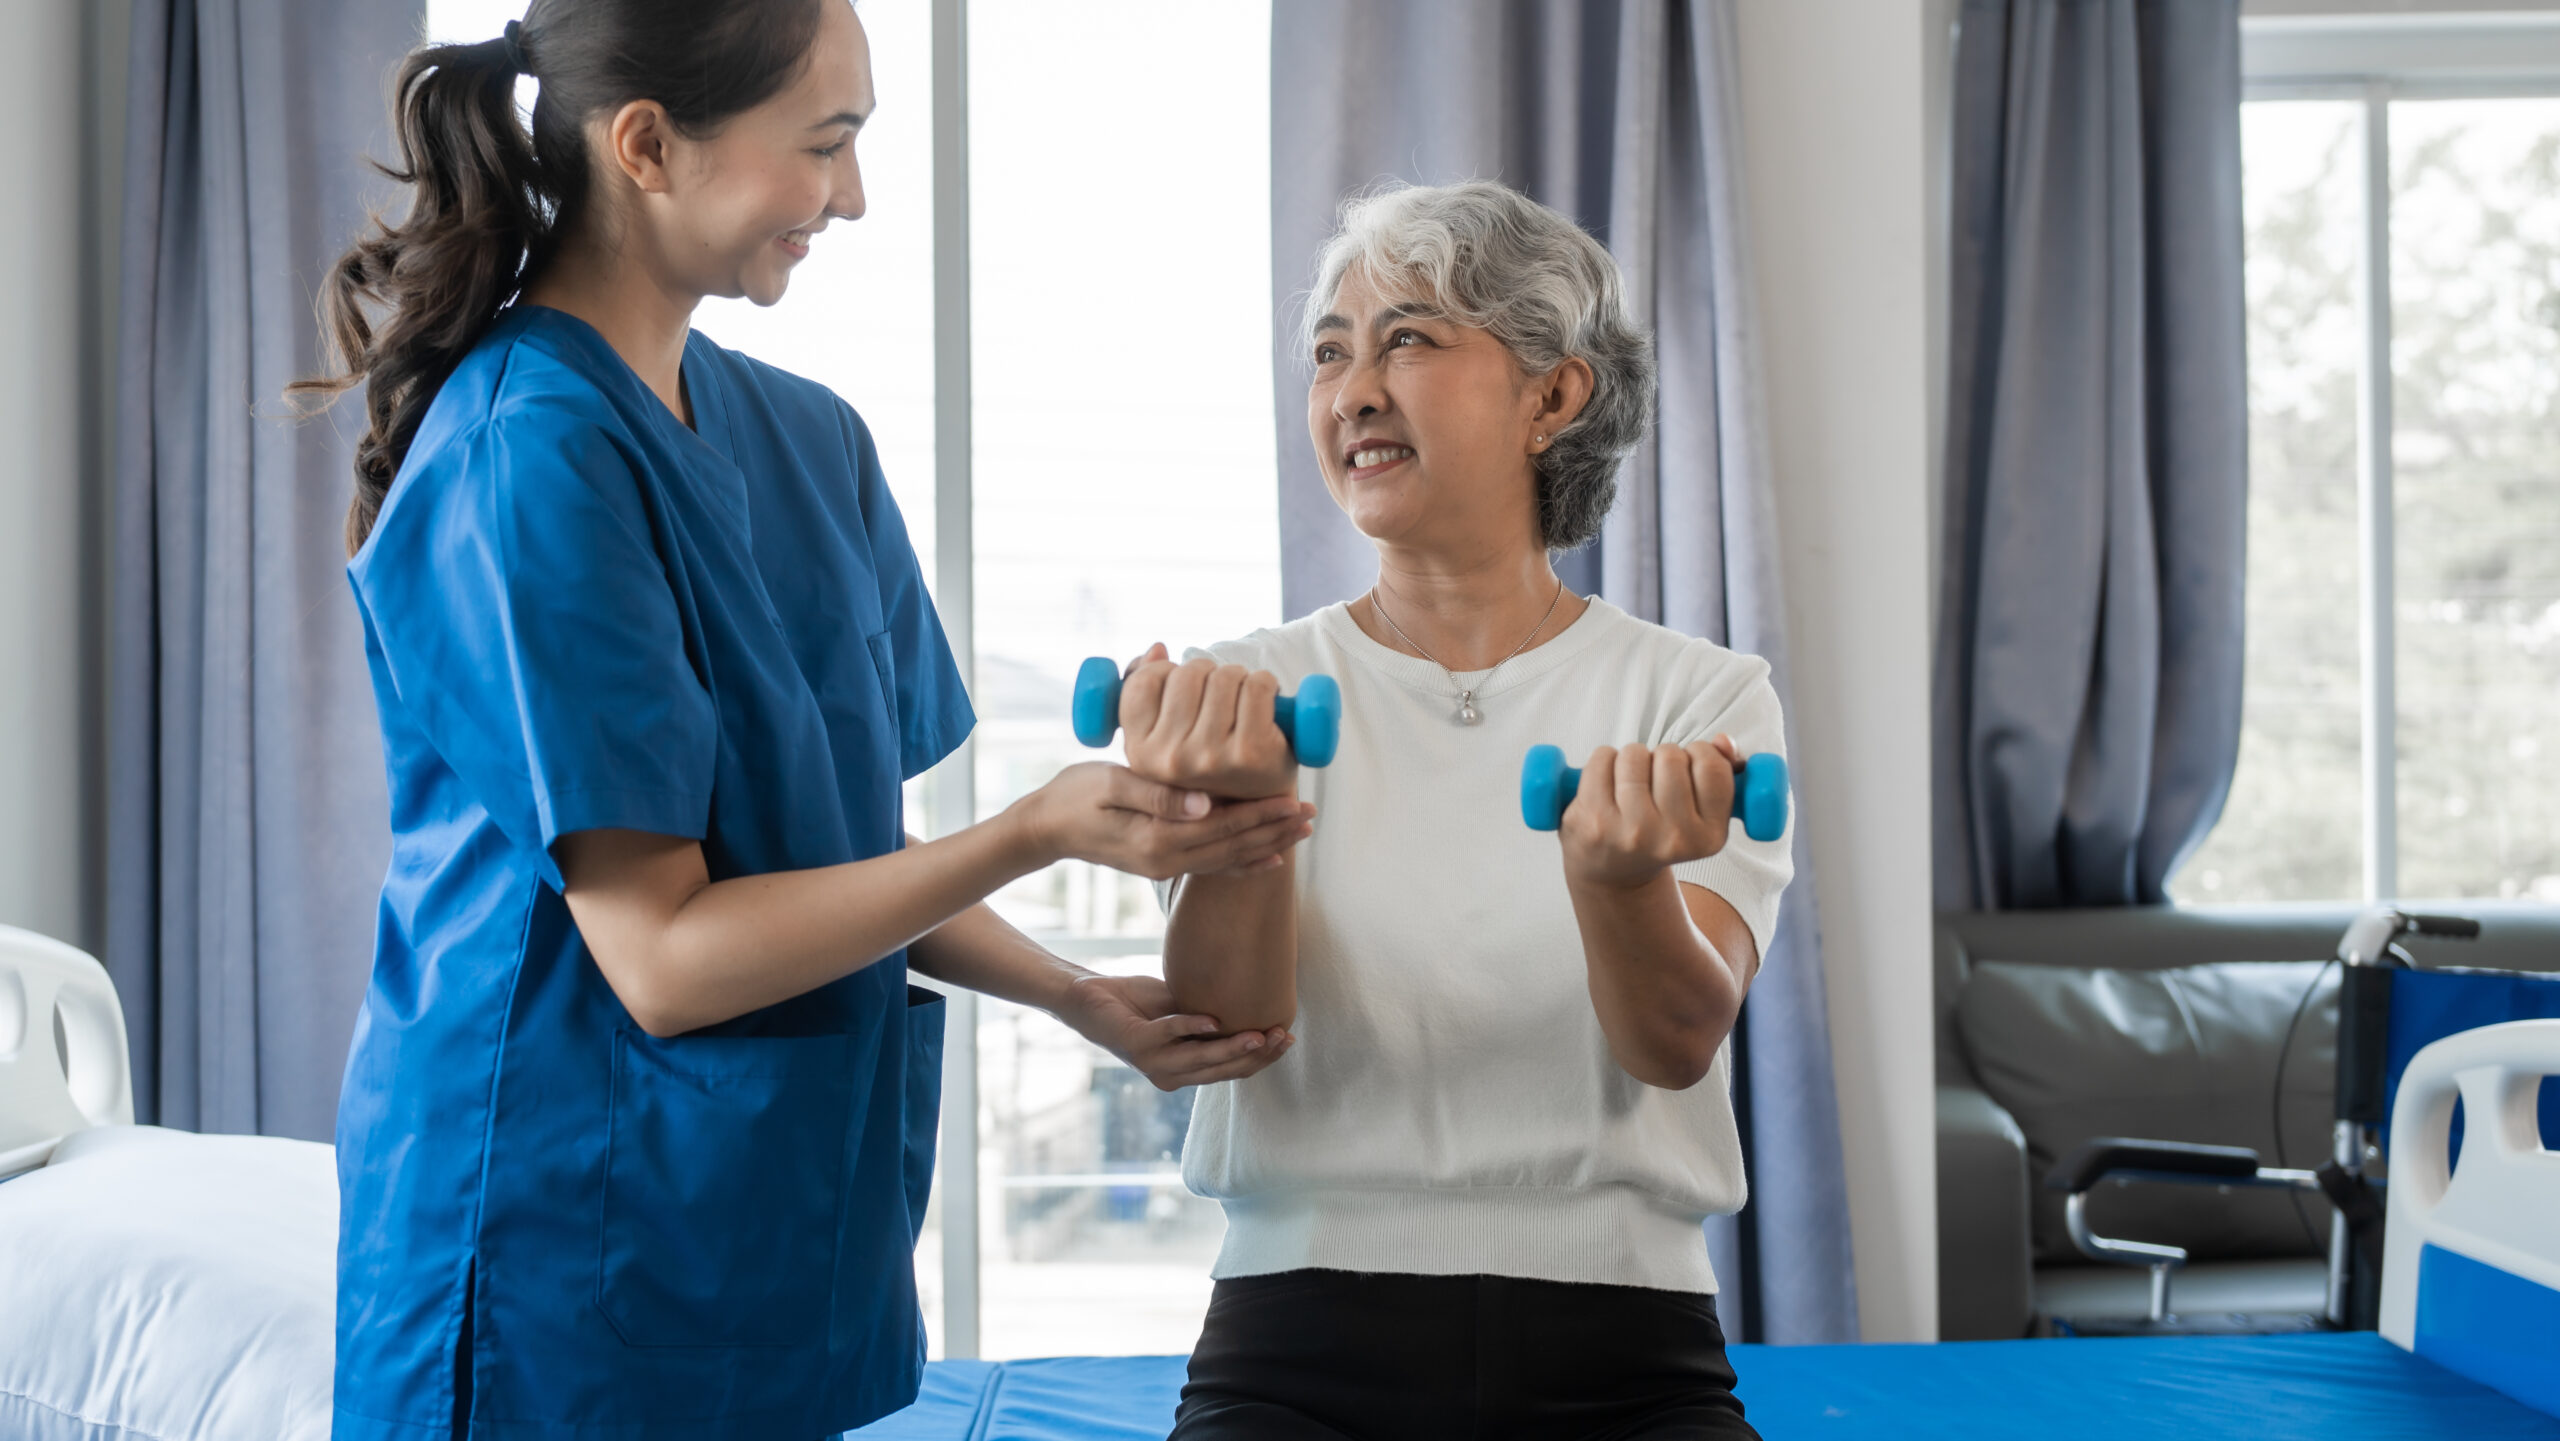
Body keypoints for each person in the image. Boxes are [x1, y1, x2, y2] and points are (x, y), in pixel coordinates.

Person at [293, 4, 1309, 1437]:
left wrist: (1078, 996)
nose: (853, 196)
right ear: (646, 144)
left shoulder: (812, 440)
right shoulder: (530, 455)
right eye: (824, 145)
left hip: (758, 1229)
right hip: (547, 1250)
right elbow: (659, 953)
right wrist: (1030, 831)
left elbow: (825, 846)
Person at [1117, 180, 1785, 1440]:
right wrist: (1250, 817)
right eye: (1329, 352)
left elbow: (1673, 1045)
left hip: (1625, 1342)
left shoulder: (1699, 696)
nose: (1353, 390)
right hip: (1293, 1335)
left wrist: (1617, 878)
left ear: (1553, 395)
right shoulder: (1246, 692)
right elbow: (1229, 1026)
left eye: (1409, 338)